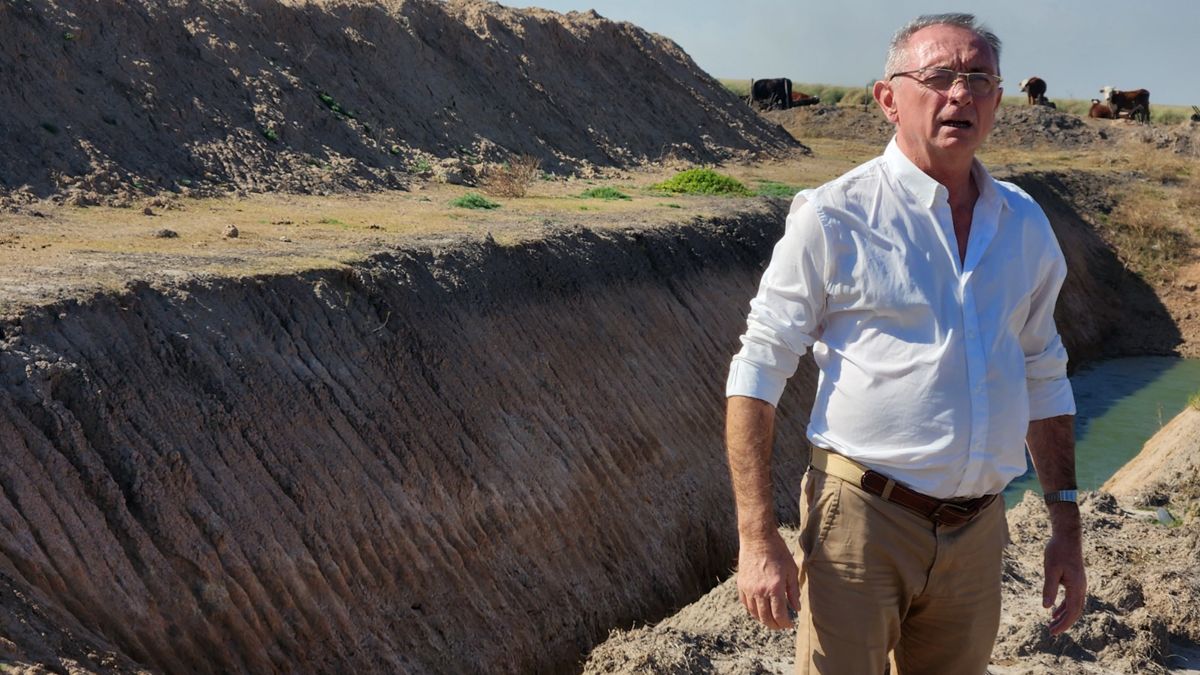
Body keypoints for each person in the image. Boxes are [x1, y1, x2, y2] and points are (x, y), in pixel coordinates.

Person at [724, 13, 1086, 674]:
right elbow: (757, 368)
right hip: (861, 522)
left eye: (978, 78)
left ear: (999, 99)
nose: (960, 95)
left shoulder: (1024, 223)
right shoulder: (835, 215)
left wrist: (1065, 524)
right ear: (888, 99)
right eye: (939, 77)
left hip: (978, 530)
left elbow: (1043, 370)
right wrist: (757, 537)